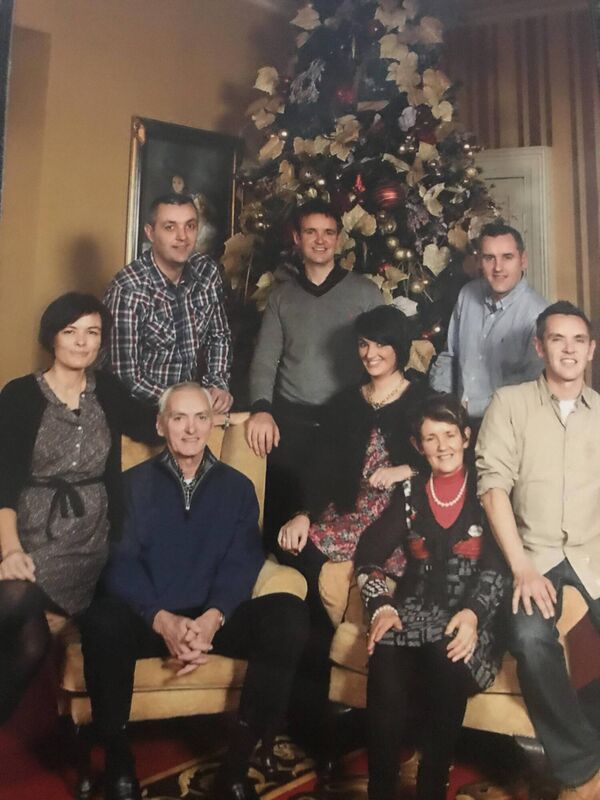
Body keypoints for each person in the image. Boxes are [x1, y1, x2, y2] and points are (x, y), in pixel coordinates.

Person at [80, 382, 309, 800]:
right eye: (179, 417)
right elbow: (120, 563)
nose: (190, 429)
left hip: (212, 617)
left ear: (213, 424)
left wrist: (212, 618)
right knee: (100, 621)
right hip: (150, 618)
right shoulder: (130, 487)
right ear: (160, 424)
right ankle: (119, 762)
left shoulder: (238, 488)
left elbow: (242, 562)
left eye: (200, 417)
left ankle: (236, 766)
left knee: (288, 616)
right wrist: (160, 618)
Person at [0, 292, 158, 725]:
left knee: (28, 637)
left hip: (92, 537)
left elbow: (156, 422)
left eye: (93, 333)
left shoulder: (107, 390)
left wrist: (207, 404)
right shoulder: (18, 396)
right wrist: (10, 551)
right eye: (71, 332)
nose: (83, 343)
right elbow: (4, 483)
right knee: (24, 627)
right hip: (29, 531)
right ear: (52, 337)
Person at [477, 301, 600, 799]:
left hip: (595, 553)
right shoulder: (509, 404)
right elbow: (492, 489)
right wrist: (523, 567)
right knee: (529, 639)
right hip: (534, 554)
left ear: (591, 351)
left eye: (577, 341)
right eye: (557, 339)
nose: (568, 350)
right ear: (539, 346)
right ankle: (581, 767)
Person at [355, 394, 506, 800]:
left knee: (447, 653)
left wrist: (474, 614)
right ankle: (380, 789)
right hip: (413, 609)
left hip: (475, 616)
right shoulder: (409, 492)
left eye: (450, 434)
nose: (442, 446)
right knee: (383, 650)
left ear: (467, 437)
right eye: (431, 438)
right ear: (418, 446)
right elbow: (368, 552)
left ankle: (431, 786)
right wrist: (380, 605)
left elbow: (497, 565)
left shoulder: (487, 487)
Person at [246, 198, 382, 547]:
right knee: (283, 522)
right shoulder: (282, 297)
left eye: (328, 232)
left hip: (346, 421)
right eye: (311, 232)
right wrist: (262, 409)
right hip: (293, 424)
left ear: (338, 239)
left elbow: (385, 356)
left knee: (335, 519)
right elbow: (265, 360)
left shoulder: (365, 293)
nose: (320, 240)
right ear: (297, 237)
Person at [103, 193, 232, 411]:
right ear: (150, 233)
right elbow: (126, 376)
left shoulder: (207, 271)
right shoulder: (128, 289)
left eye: (190, 226)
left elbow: (218, 335)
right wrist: (185, 402)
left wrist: (217, 383)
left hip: (190, 408)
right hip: (138, 410)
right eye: (170, 227)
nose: (182, 237)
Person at [429, 220, 548, 422]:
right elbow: (450, 355)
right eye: (489, 258)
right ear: (479, 262)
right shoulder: (467, 294)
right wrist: (444, 403)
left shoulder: (538, 315)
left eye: (507, 257)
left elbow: (531, 388)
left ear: (523, 260)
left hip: (507, 425)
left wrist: (471, 409)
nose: (498, 268)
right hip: (458, 421)